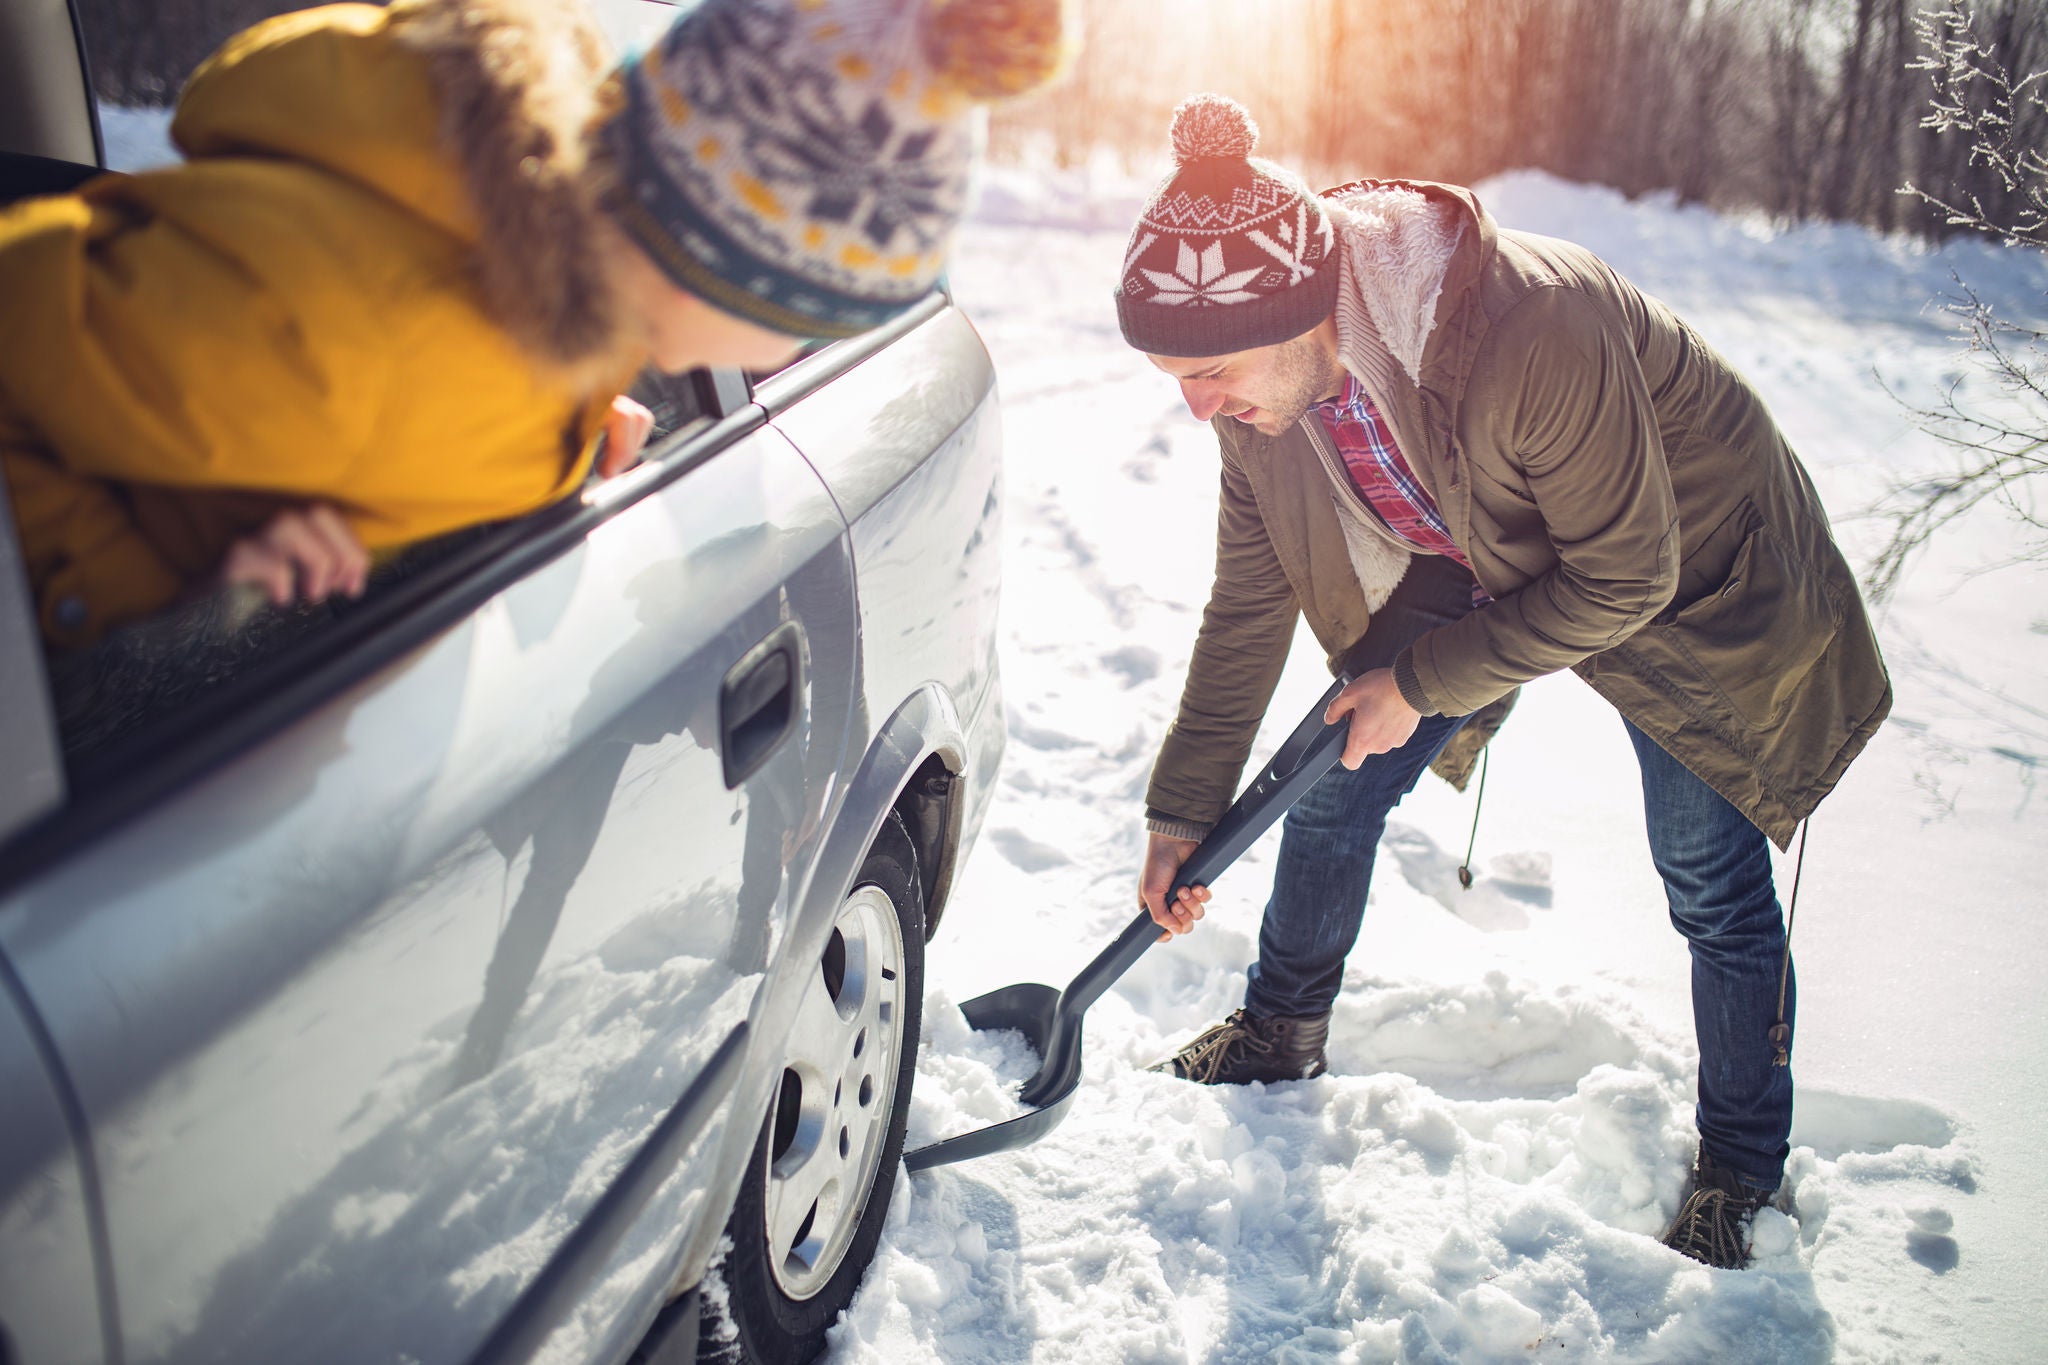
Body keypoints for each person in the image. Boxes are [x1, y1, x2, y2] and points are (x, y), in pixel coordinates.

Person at [1119, 95, 1891, 1270]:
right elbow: (1245, 604)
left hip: (1684, 577)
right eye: (1175, 376)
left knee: (1706, 880)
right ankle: (1279, 1034)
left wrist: (1421, 682)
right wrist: (1182, 814)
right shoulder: (1262, 401)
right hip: (1478, 541)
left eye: (1209, 369)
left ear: (1304, 313)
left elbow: (1624, 576)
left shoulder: (1533, 329)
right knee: (1332, 773)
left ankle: (1739, 1169)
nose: (1197, 405)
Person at [0, 0, 1069, 651]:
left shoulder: (543, 293)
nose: (802, 354)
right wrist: (140, 606)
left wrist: (559, 428)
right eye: (812, 319)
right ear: (720, 266)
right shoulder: (334, 341)